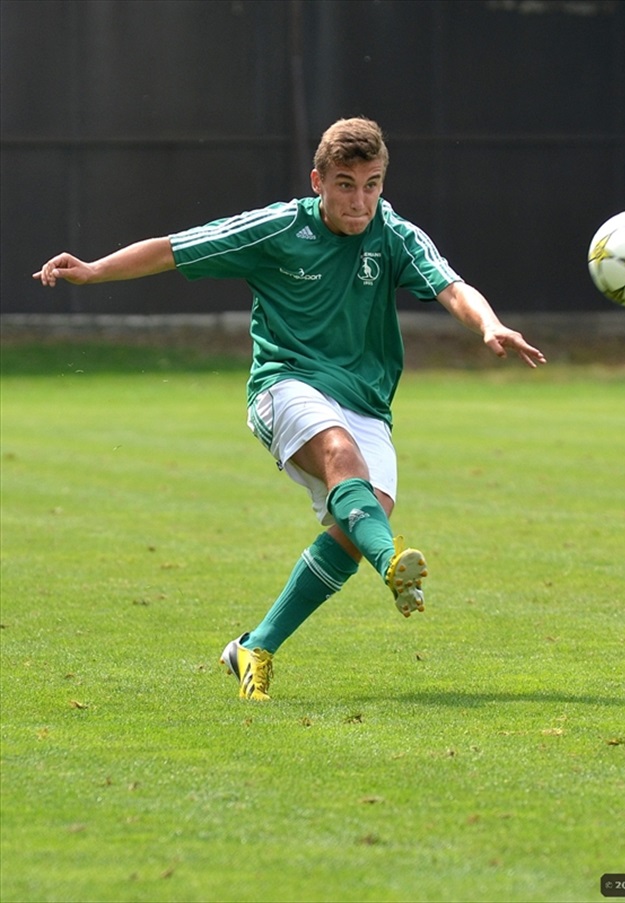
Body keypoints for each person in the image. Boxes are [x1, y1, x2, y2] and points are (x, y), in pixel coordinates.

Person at [34, 116, 546, 701]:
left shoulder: (396, 234)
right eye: (346, 184)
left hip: (366, 400)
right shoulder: (278, 228)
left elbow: (452, 286)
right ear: (318, 182)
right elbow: (176, 249)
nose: (360, 200)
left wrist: (490, 324)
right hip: (284, 384)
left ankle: (255, 646)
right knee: (340, 458)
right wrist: (96, 269)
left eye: (373, 184)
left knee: (359, 522)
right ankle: (393, 565)